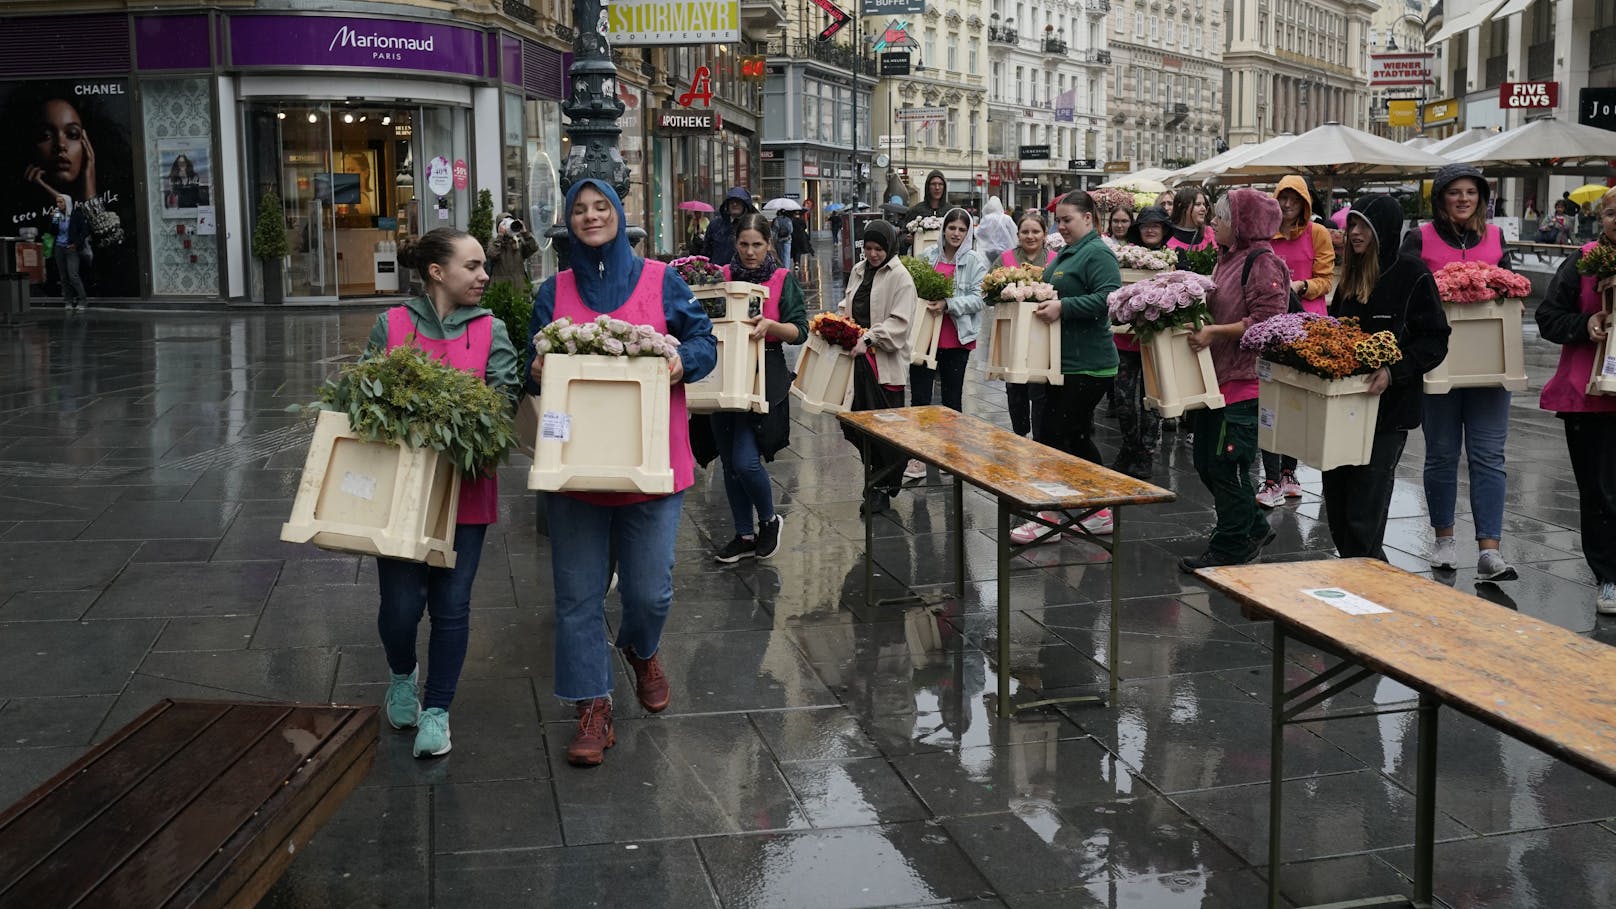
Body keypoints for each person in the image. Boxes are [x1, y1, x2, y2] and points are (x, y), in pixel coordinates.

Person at [524, 179, 716, 767]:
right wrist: (536, 371)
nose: (589, 216)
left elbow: (703, 339)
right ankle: (592, 705)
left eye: (600, 206)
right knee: (577, 597)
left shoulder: (663, 280)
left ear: (618, 212)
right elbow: (533, 370)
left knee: (650, 591)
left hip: (652, 464)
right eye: (579, 209)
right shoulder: (552, 291)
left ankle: (640, 646)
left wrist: (685, 360)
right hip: (577, 469)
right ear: (568, 220)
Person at [365, 227, 521, 758]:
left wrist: (465, 426)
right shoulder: (392, 325)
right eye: (473, 266)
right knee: (400, 607)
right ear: (437, 272)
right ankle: (402, 675)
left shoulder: (492, 330)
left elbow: (502, 406)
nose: (484, 276)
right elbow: (364, 402)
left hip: (466, 491)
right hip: (402, 494)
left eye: (484, 267)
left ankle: (437, 711)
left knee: (452, 606)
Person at [1400, 163, 1519, 581]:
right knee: (1442, 454)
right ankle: (1444, 539)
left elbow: (1512, 293)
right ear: (1440, 198)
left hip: (1489, 366)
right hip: (1440, 367)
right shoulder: (1420, 238)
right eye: (1455, 192)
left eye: (1471, 192)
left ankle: (1490, 549)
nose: (1464, 199)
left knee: (1489, 456)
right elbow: (1406, 294)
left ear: (1482, 198)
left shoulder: (1496, 238)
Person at [1323, 196, 1450, 561]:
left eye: (1363, 225)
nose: (1355, 233)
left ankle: (1361, 578)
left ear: (1384, 231)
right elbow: (1338, 330)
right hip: (1345, 405)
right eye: (1352, 225)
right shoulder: (1350, 274)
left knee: (1366, 502)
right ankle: (1366, 573)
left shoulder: (1413, 274)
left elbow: (1435, 339)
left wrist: (1395, 372)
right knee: (1338, 498)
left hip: (1389, 412)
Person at [1177, 189, 1290, 571]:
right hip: (1218, 379)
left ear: (1242, 224)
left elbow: (1269, 324)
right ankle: (1252, 527)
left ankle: (1231, 546)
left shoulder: (1263, 263)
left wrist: (1215, 333)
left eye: (1221, 219)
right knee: (1207, 462)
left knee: (1225, 465)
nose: (1213, 224)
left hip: (1244, 384)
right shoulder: (1229, 258)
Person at [1011, 191, 1122, 544]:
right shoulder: (1070, 252)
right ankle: (1095, 512)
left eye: (1067, 219)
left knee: (1055, 436)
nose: (1061, 226)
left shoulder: (1098, 252)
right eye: (1058, 220)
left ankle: (1052, 515)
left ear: (1088, 218)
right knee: (1068, 437)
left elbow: (1109, 298)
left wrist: (1063, 307)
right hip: (1064, 363)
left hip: (1089, 365)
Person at [1535, 186, 1616, 614]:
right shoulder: (1582, 261)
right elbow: (1547, 317)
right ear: (1599, 219)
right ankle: (1608, 576)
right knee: (1599, 490)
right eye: (1611, 213)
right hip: (1589, 395)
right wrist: (1587, 324)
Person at [711, 212, 809, 563]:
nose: (750, 252)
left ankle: (769, 519)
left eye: (757, 244)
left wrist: (770, 325)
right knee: (728, 462)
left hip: (765, 371)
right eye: (743, 244)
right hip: (723, 371)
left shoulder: (782, 278)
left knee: (746, 461)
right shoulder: (720, 277)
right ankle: (744, 533)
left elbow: (801, 329)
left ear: (769, 244)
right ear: (734, 243)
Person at [1256, 174, 1337, 508]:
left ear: (1305, 202)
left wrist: (1301, 287)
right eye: (1282, 198)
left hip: (1307, 324)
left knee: (1296, 401)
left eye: (1293, 199)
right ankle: (1271, 476)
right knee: (1270, 399)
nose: (1287, 204)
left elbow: (1326, 279)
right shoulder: (1265, 236)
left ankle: (1290, 472)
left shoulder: (1318, 233)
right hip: (1271, 323)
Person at [836, 220, 917, 516]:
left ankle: (880, 488)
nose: (872, 255)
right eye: (868, 248)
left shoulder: (901, 278)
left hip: (883, 364)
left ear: (889, 248)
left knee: (884, 430)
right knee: (857, 426)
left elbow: (899, 323)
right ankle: (879, 480)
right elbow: (848, 304)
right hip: (857, 361)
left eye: (878, 249)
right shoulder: (859, 271)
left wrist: (870, 337)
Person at [903, 208, 988, 479]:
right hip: (924, 337)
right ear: (943, 229)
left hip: (956, 339)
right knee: (920, 398)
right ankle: (918, 456)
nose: (956, 233)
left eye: (962, 229)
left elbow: (980, 298)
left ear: (969, 233)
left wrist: (949, 304)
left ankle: (950, 454)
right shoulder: (927, 257)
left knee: (952, 401)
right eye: (952, 227)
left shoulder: (974, 261)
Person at [1109, 205, 1175, 479]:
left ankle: (1146, 453)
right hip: (1125, 341)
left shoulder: (1174, 259)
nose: (1150, 230)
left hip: (1155, 343)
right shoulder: (1124, 256)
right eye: (1146, 225)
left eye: (1156, 226)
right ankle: (1129, 447)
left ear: (1163, 230)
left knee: (1151, 401)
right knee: (1123, 400)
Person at [1000, 212, 1057, 439]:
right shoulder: (1005, 259)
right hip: (1013, 335)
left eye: (1036, 231)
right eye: (1025, 232)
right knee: (1015, 388)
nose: (1030, 236)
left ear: (1044, 235)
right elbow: (987, 294)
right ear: (1018, 234)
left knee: (1040, 390)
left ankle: (1040, 439)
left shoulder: (1055, 259)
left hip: (1043, 336)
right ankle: (1020, 434)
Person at [49, 194, 88, 310]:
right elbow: (52, 232)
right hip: (59, 248)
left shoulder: (75, 215)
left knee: (73, 275)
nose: (58, 204)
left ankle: (82, 300)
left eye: (61, 202)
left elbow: (85, 231)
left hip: (71, 248)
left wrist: (76, 244)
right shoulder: (57, 215)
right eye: (57, 202)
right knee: (63, 277)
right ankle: (68, 301)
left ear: (67, 202)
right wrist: (53, 220)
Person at [702, 186, 757, 267]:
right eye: (732, 202)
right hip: (719, 273)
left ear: (745, 204)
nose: (734, 204)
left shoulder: (754, 224)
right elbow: (707, 251)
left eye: (738, 201)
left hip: (745, 273)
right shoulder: (715, 225)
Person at [487, 215, 539, 287]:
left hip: (519, 288)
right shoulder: (495, 242)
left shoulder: (519, 242)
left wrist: (525, 233)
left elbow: (533, 248)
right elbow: (492, 254)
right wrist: (500, 237)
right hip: (501, 288)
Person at [1167, 186, 1214, 252]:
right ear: (1182, 207)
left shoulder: (1209, 233)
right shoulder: (1166, 234)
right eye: (1198, 204)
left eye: (1204, 204)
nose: (1204, 208)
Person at [974, 196, 1017, 264]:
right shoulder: (1006, 218)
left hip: (989, 250)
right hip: (1006, 249)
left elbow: (979, 233)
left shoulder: (986, 219)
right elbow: (1014, 231)